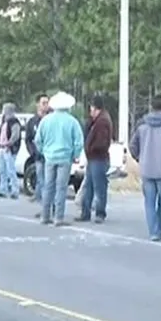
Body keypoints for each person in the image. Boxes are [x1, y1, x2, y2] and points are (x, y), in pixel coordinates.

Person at [129, 96, 161, 241]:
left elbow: (133, 145)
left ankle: (153, 231)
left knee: (149, 201)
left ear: (151, 106)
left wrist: (140, 158)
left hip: (146, 168)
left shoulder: (141, 124)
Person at [35, 91, 84, 227]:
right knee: (61, 188)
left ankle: (45, 216)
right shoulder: (72, 121)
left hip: (49, 157)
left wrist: (44, 151)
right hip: (65, 158)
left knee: (48, 186)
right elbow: (79, 142)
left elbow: (38, 140)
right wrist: (75, 155)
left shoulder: (46, 120)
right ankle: (58, 218)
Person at [76, 95, 113, 224]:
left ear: (95, 107)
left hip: (98, 157)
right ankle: (86, 212)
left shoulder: (102, 122)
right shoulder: (97, 121)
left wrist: (90, 148)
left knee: (99, 187)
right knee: (89, 186)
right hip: (93, 158)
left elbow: (102, 142)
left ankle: (99, 213)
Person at [25, 94, 50, 205]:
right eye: (43, 103)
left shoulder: (51, 119)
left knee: (48, 182)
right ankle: (43, 205)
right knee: (41, 180)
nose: (46, 106)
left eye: (47, 103)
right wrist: (33, 152)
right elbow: (28, 139)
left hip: (50, 156)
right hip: (39, 157)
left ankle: (46, 205)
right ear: (38, 104)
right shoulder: (32, 122)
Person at [0, 103, 22, 199]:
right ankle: (3, 189)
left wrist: (9, 144)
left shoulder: (14, 122)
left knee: (11, 170)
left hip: (9, 149)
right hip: (2, 148)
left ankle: (15, 190)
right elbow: (1, 134)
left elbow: (15, 135)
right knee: (2, 170)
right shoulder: (4, 121)